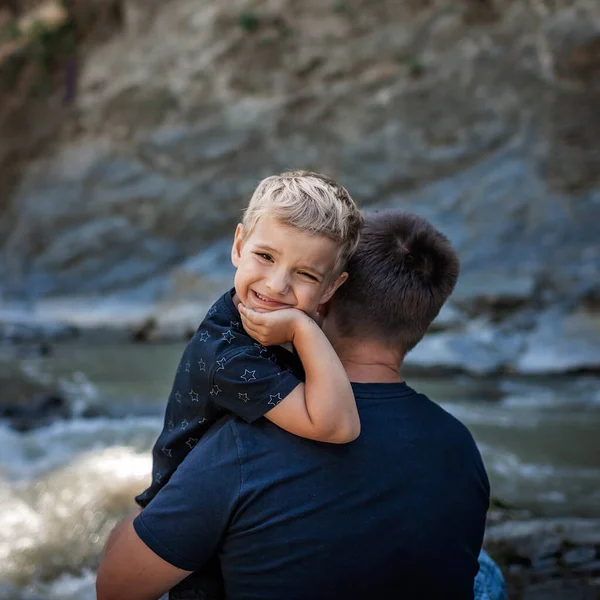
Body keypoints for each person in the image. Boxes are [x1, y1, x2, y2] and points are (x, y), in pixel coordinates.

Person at [97, 210, 493, 600]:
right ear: (422, 320)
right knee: (485, 573)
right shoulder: (460, 446)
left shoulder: (244, 441)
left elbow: (116, 587)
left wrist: (152, 505)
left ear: (325, 297)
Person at [135, 170, 363, 509]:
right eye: (266, 257)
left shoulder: (264, 313)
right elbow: (339, 427)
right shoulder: (230, 357)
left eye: (305, 274)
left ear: (331, 287)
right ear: (239, 246)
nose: (275, 285)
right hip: (187, 523)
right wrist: (305, 331)